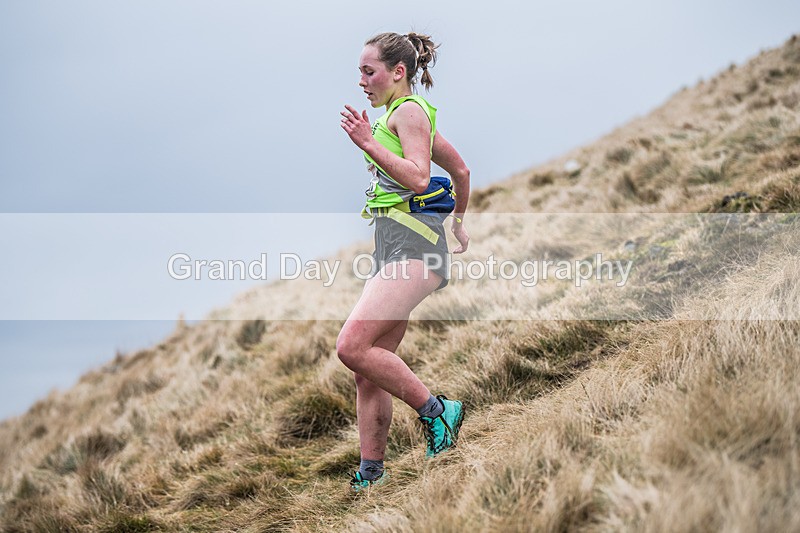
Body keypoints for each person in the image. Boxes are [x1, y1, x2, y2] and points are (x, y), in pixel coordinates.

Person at [337, 31, 471, 492]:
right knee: (369, 367)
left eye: (368, 71)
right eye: (359, 72)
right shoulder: (405, 115)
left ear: (398, 72)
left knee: (351, 346)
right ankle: (370, 474)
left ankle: (438, 412)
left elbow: (418, 178)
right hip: (396, 246)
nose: (361, 82)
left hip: (413, 248)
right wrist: (459, 223)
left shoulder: (409, 112)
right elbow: (461, 170)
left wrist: (366, 144)